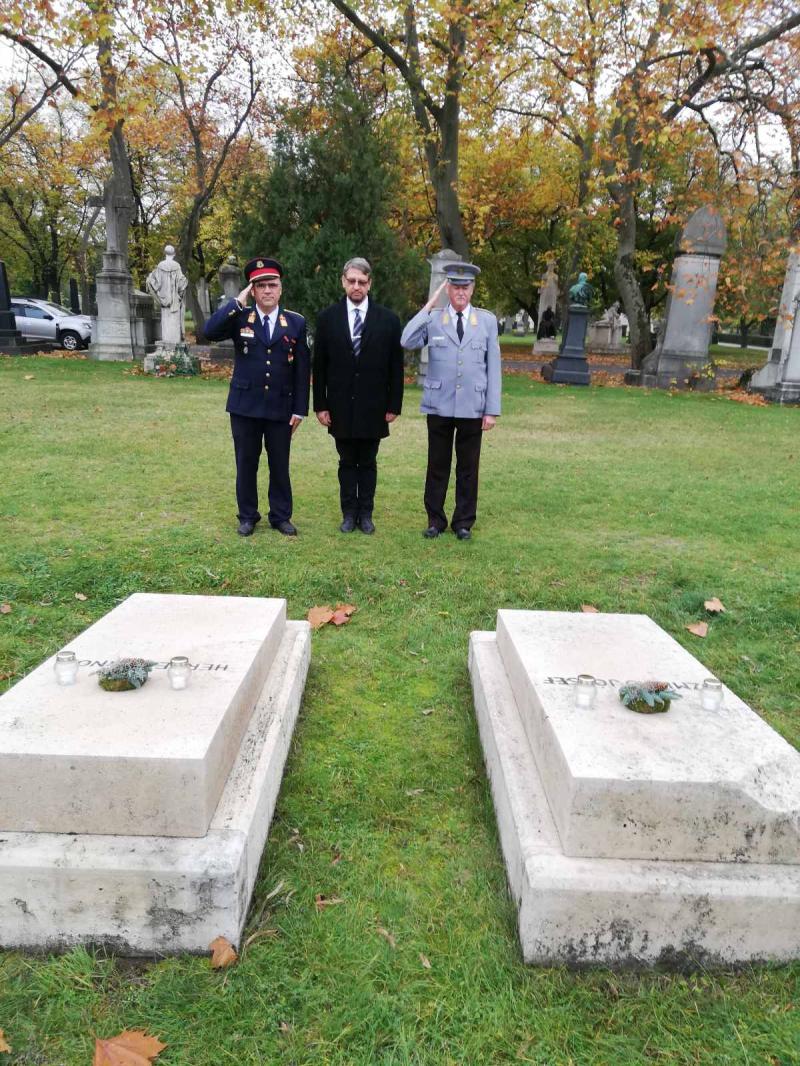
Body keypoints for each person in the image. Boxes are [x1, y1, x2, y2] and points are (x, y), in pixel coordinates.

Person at [204, 256, 310, 537]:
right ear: (252, 290)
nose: (267, 290)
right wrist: (236, 302)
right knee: (246, 464)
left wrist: (299, 409)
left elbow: (302, 370)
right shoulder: (240, 316)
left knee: (280, 465)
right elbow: (208, 332)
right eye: (260, 286)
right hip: (245, 407)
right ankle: (247, 516)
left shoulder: (296, 322)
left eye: (272, 285)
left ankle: (281, 516)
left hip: (280, 407)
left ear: (280, 289)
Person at [400, 262, 501, 541]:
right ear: (448, 289)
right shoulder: (433, 318)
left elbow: (493, 366)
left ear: (473, 289)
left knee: (468, 467)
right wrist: (429, 304)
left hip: (472, 405)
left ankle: (463, 522)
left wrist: (491, 410)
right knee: (437, 465)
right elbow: (406, 340)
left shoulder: (486, 321)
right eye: (455, 287)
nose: (460, 292)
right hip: (439, 404)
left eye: (465, 287)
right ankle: (435, 520)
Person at [313, 257, 403, 534]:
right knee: (346, 461)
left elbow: (396, 367)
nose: (356, 286)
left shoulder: (388, 320)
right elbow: (320, 366)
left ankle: (366, 514)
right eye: (351, 281)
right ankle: (348, 513)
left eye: (362, 282)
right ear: (343, 281)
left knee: (368, 462)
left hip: (374, 405)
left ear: (369, 284)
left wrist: (394, 404)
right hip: (339, 405)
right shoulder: (327, 319)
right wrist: (320, 405)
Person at [146, 244, 188, 343]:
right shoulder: (176, 266)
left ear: (165, 254)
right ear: (174, 254)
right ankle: (175, 342)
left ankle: (167, 344)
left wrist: (149, 279)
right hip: (175, 301)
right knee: (174, 324)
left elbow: (155, 282)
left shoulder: (160, 266)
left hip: (164, 299)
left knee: (166, 323)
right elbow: (181, 283)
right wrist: (183, 285)